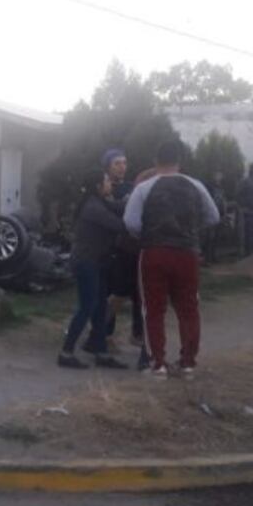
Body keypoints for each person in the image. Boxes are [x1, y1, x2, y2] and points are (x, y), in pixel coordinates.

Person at [124, 140, 220, 379]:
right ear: (180, 162)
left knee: (153, 309)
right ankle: (187, 363)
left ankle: (158, 365)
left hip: (154, 252)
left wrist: (146, 235)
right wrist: (192, 230)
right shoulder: (195, 186)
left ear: (156, 162)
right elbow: (213, 216)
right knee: (189, 309)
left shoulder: (144, 188)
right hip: (187, 252)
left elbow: (131, 222)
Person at [58, 169, 129, 370]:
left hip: (97, 262)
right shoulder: (93, 207)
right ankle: (66, 352)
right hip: (86, 263)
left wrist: (130, 202)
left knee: (99, 308)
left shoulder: (99, 202)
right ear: (98, 186)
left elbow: (117, 206)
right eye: (106, 181)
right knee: (88, 306)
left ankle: (101, 352)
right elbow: (119, 225)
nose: (110, 184)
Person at [100, 149, 145, 359]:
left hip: (132, 247)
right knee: (115, 293)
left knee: (138, 292)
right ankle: (105, 334)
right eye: (117, 163)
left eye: (124, 163)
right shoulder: (104, 188)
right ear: (108, 166)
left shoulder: (131, 188)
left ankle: (137, 333)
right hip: (112, 249)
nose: (122, 167)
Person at [202, 171, 227, 265]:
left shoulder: (221, 187)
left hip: (220, 213)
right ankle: (206, 258)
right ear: (213, 176)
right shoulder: (209, 186)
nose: (219, 177)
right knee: (209, 236)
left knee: (216, 236)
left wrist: (224, 211)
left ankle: (213, 256)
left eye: (220, 175)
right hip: (211, 213)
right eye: (217, 175)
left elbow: (223, 199)